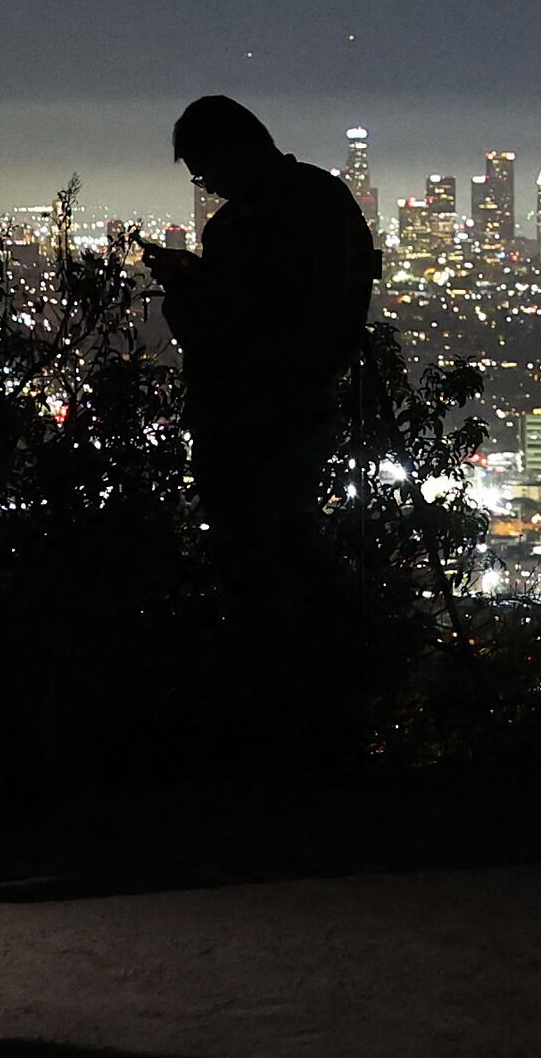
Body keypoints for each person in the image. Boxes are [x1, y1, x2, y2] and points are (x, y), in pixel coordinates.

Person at [143, 96, 381, 765]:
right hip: (300, 411)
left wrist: (187, 292)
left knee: (260, 569)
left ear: (228, 149)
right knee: (296, 561)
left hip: (247, 421)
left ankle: (280, 725)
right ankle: (323, 722)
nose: (204, 184)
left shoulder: (244, 227)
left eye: (202, 167)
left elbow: (231, 331)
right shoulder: (326, 203)